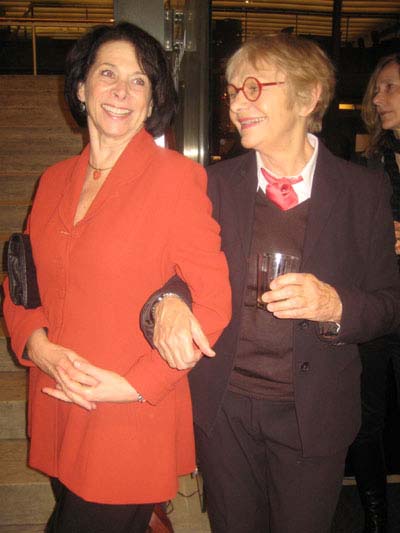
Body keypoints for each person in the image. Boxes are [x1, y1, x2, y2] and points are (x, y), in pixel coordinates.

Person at [139, 34, 400, 533]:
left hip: (313, 415)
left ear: (307, 97)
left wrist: (334, 304)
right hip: (226, 411)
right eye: (233, 91)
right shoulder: (212, 185)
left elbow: (390, 303)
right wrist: (168, 302)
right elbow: (171, 274)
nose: (237, 104)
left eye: (253, 88)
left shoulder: (363, 190)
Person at [2, 22, 231, 533]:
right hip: (58, 405)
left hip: (127, 421)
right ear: (81, 88)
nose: (121, 92)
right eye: (107, 73)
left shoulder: (175, 178)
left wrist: (132, 386)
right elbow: (22, 281)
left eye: (139, 80)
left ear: (152, 102)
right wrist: (36, 347)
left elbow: (214, 305)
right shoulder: (54, 179)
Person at [347, 52, 400, 533]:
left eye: (390, 87)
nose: (378, 98)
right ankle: (376, 519)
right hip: (379, 305)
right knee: (366, 423)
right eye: (377, 89)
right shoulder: (369, 165)